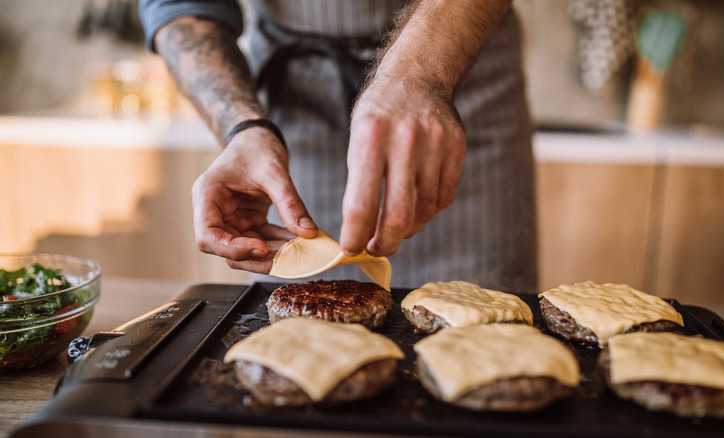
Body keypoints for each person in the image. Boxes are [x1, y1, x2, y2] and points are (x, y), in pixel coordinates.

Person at [139, 0, 537, 293]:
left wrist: (419, 73)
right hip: (292, 109)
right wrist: (243, 127)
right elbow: (180, 8)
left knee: (487, 320)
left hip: (455, 78)